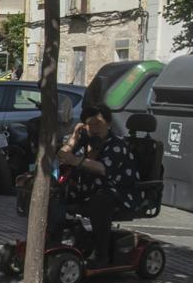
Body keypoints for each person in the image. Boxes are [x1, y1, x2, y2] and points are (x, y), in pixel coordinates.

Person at [56, 103, 138, 266]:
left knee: (100, 202)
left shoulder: (117, 145)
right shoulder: (86, 140)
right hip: (88, 190)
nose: (94, 128)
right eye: (89, 124)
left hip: (116, 192)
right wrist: (74, 138)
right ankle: (71, 240)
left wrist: (76, 160)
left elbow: (103, 169)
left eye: (98, 123)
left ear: (108, 123)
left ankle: (101, 254)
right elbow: (62, 156)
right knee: (56, 196)